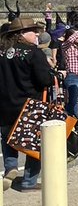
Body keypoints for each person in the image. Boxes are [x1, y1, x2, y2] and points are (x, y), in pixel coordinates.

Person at [0, 17, 57, 191]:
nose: (37, 34)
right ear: (22, 34)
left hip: (4, 103)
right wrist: (51, 73)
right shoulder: (33, 53)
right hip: (29, 104)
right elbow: (44, 79)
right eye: (33, 31)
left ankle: (11, 167)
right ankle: (28, 181)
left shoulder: (2, 52)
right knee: (34, 143)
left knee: (7, 137)